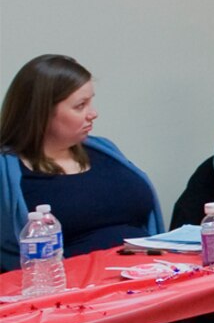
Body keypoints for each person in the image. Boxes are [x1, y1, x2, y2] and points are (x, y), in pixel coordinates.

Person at [1, 55, 162, 268]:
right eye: (80, 106)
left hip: (149, 274)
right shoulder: (8, 172)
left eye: (90, 102)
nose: (93, 114)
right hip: (72, 292)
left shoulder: (105, 150)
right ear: (41, 113)